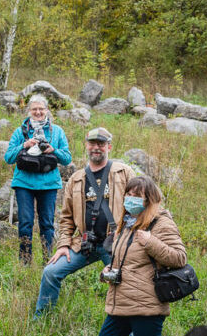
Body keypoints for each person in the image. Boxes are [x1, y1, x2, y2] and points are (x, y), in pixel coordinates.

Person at [91, 175, 186, 336]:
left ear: (149, 199)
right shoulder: (127, 221)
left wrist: (151, 242)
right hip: (120, 303)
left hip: (146, 307)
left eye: (137, 195)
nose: (130, 198)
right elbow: (125, 259)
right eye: (128, 194)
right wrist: (110, 269)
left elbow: (179, 257)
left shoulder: (160, 222)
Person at [34, 127, 136, 317]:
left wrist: (128, 238)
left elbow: (140, 205)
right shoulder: (76, 179)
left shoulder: (124, 172)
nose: (96, 148)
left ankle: (128, 334)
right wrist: (63, 244)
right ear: (86, 146)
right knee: (50, 272)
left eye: (101, 144)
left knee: (125, 281)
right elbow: (66, 218)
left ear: (109, 147)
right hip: (84, 243)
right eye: (92, 144)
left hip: (115, 243)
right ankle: (42, 321)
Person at [3, 94, 73, 264]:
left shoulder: (57, 132)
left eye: (41, 109)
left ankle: (48, 260)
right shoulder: (20, 131)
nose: (38, 112)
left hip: (48, 184)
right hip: (24, 183)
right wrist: (24, 145)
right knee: (25, 223)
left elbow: (67, 159)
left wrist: (53, 150)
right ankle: (25, 262)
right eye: (34, 109)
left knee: (47, 224)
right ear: (29, 111)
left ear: (47, 110)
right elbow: (8, 157)